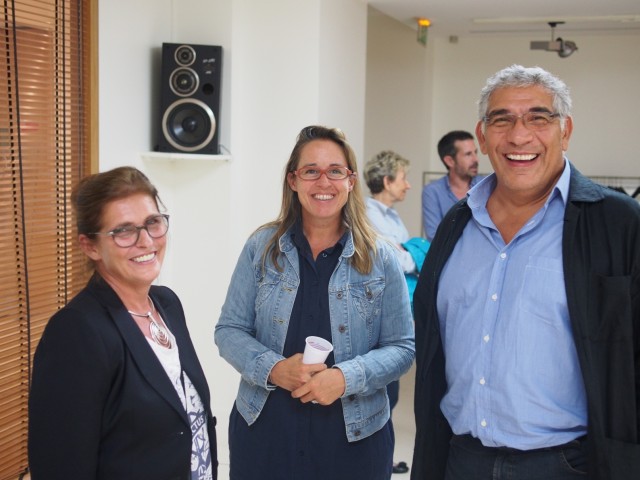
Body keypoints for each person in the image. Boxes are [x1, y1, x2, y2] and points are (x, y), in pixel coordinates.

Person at [411, 64, 640, 480]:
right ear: (482, 137)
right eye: (502, 120)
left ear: (565, 130)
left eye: (538, 118)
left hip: (568, 465)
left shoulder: (619, 223)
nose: (519, 136)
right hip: (461, 460)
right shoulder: (456, 225)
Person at [215, 126, 415, 480]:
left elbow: (402, 347)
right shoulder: (261, 248)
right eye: (311, 171)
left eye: (335, 170)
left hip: (355, 440)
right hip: (266, 433)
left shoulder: (382, 258)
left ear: (351, 180)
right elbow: (229, 331)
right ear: (293, 180)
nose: (324, 182)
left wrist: (344, 378)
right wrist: (274, 369)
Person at [28, 166, 218, 480]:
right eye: (124, 231)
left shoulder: (167, 304)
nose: (146, 241)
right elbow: (59, 466)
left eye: (153, 222)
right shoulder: (76, 332)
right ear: (90, 246)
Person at [364, 150, 428, 475]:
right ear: (387, 181)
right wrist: (413, 251)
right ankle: (375, 460)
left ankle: (380, 458)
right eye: (403, 178)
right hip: (376, 313)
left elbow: (406, 255)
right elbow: (399, 260)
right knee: (381, 390)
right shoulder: (368, 214)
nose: (408, 185)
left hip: (396, 309)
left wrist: (409, 251)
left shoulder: (391, 216)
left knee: (391, 390)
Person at [421, 130, 481, 241]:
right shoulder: (433, 191)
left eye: (475, 153)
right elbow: (435, 237)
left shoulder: (486, 186)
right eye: (468, 154)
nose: (476, 159)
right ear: (450, 161)